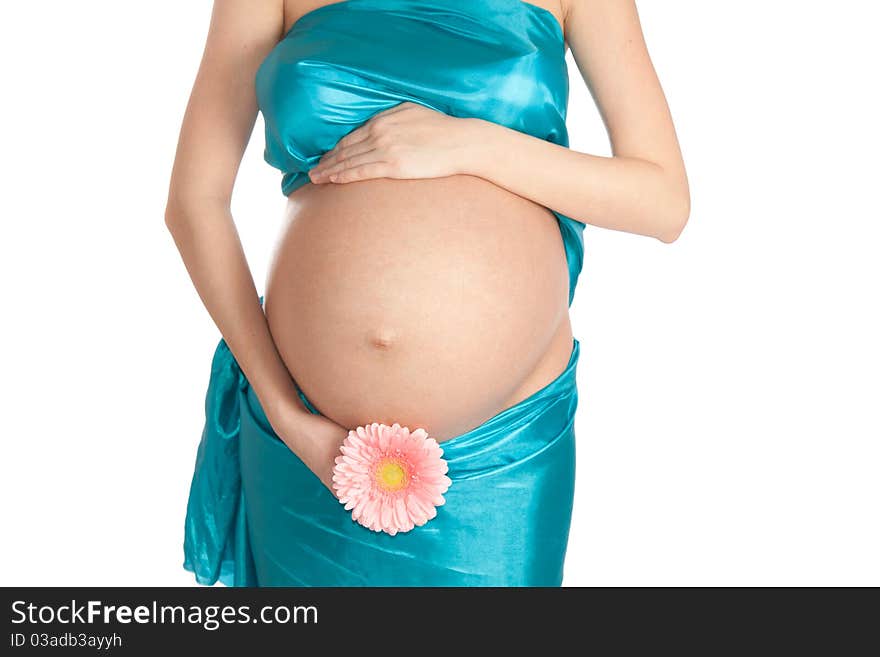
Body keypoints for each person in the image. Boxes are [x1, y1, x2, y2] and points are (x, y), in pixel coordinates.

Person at [165, 0, 689, 586]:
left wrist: (471, 144)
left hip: (502, 457)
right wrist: (287, 416)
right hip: (311, 448)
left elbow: (663, 202)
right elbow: (194, 203)